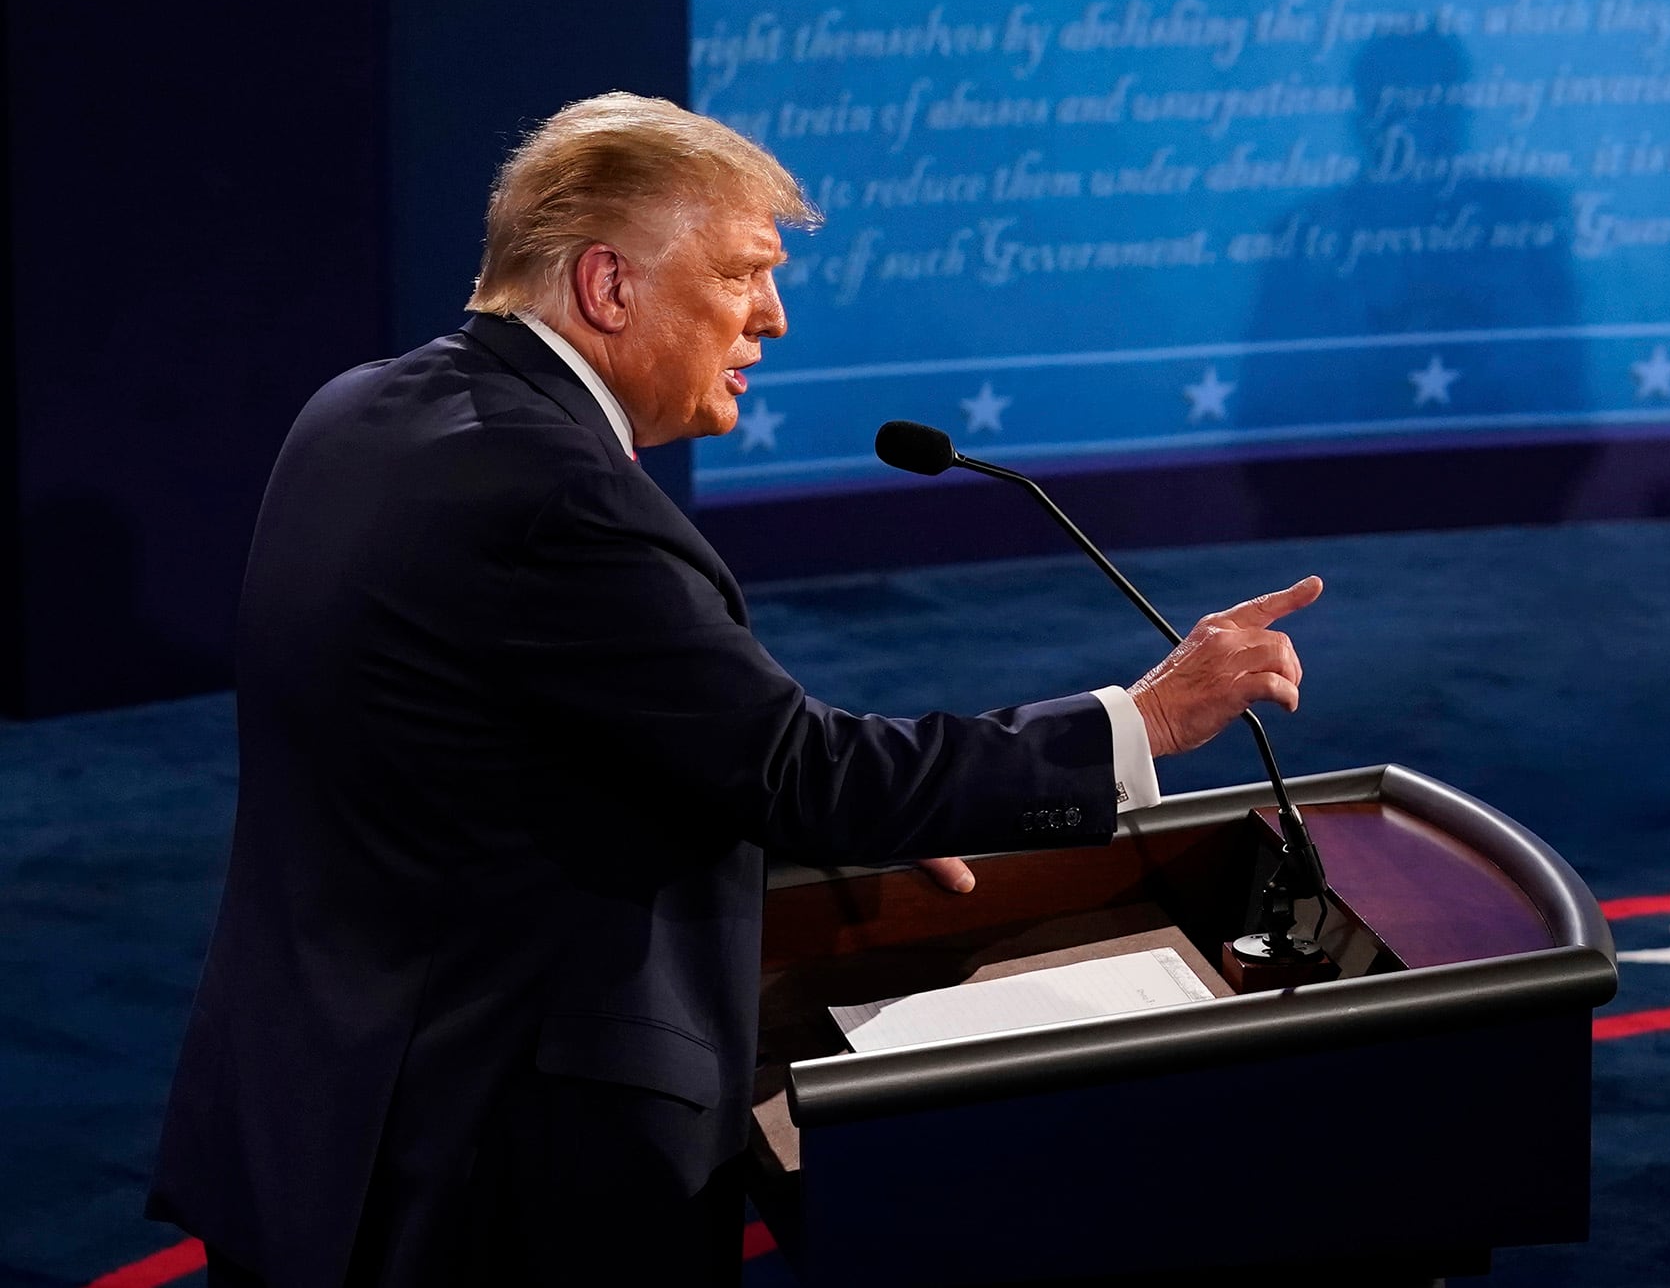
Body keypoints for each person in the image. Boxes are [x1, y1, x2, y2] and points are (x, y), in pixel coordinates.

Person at [148, 92, 1321, 1288]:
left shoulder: (362, 410)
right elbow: (800, 771)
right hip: (483, 1166)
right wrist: (1151, 717)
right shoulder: (558, 498)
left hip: (314, 1107)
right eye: (741, 274)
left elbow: (491, 747)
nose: (772, 315)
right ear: (608, 286)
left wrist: (817, 817)